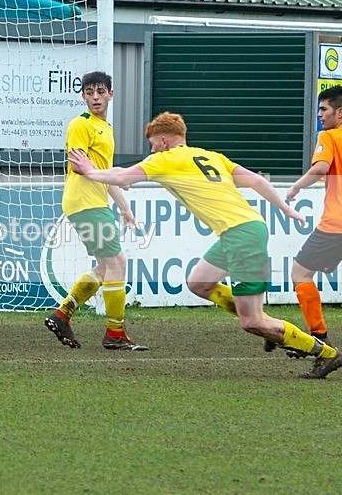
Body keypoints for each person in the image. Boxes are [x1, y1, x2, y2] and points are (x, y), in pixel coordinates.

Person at [69, 111, 342, 379]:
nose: (150, 150)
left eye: (152, 144)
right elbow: (257, 180)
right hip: (243, 231)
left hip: (242, 237)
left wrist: (91, 171)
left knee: (252, 322)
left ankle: (324, 352)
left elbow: (122, 177)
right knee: (199, 283)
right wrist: (285, 208)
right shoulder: (210, 156)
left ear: (165, 141)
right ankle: (264, 319)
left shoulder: (166, 159)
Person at [44, 71, 148, 351]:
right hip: (84, 200)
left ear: (110, 94)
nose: (95, 97)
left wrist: (124, 208)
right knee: (118, 263)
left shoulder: (106, 128)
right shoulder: (81, 124)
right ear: (83, 96)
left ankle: (62, 315)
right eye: (90, 93)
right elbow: (80, 166)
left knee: (105, 266)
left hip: (93, 201)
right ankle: (114, 334)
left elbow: (101, 173)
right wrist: (112, 177)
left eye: (100, 92)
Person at [283, 85, 342, 351]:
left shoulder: (329, 137)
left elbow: (320, 167)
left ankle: (320, 338)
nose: (320, 114)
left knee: (300, 273)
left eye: (324, 109)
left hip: (336, 224)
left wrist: (296, 187)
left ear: (339, 113)